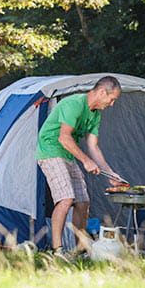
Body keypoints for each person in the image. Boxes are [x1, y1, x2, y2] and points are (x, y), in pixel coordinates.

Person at [36, 76, 126, 255]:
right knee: (66, 198)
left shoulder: (96, 115)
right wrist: (85, 160)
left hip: (68, 153)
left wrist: (110, 174)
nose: (112, 104)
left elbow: (93, 147)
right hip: (50, 150)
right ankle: (57, 250)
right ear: (102, 92)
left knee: (83, 202)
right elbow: (64, 137)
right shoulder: (74, 104)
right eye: (112, 98)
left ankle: (80, 250)